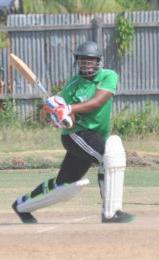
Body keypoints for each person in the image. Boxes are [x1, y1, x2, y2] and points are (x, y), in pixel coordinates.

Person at [11, 41, 134, 223]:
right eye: (82, 60)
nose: (86, 63)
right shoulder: (71, 86)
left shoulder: (108, 76)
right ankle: (111, 212)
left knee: (63, 183)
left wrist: (67, 107)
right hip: (77, 136)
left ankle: (21, 206)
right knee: (109, 157)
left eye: (90, 60)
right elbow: (69, 125)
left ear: (98, 61)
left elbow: (97, 102)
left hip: (94, 136)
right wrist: (59, 114)